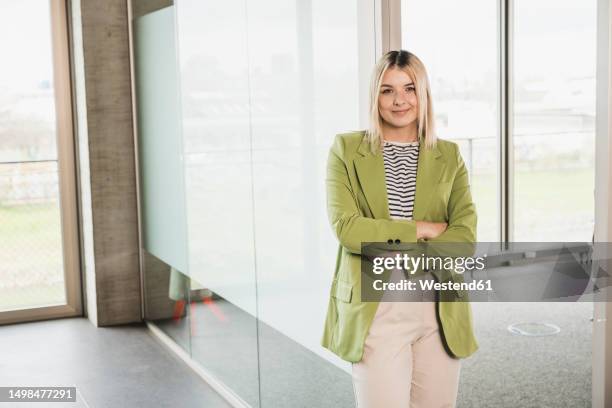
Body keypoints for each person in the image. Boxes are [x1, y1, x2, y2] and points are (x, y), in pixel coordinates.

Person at [321, 50, 478, 408]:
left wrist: (389, 237)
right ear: (375, 97)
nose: (399, 101)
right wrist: (423, 228)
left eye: (409, 88)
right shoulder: (346, 150)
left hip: (438, 304)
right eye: (387, 90)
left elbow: (464, 237)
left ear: (423, 95)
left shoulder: (450, 156)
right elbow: (349, 230)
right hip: (378, 308)